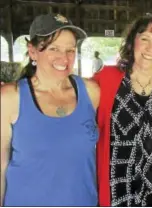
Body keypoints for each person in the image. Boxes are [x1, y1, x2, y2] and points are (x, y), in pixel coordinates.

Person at [0, 13, 100, 206]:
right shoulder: (10, 97)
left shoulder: (91, 92)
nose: (64, 57)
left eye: (70, 50)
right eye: (54, 48)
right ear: (33, 51)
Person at [93, 14, 152, 206]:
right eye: (145, 39)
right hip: (115, 191)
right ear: (133, 42)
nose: (151, 49)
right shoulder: (105, 79)